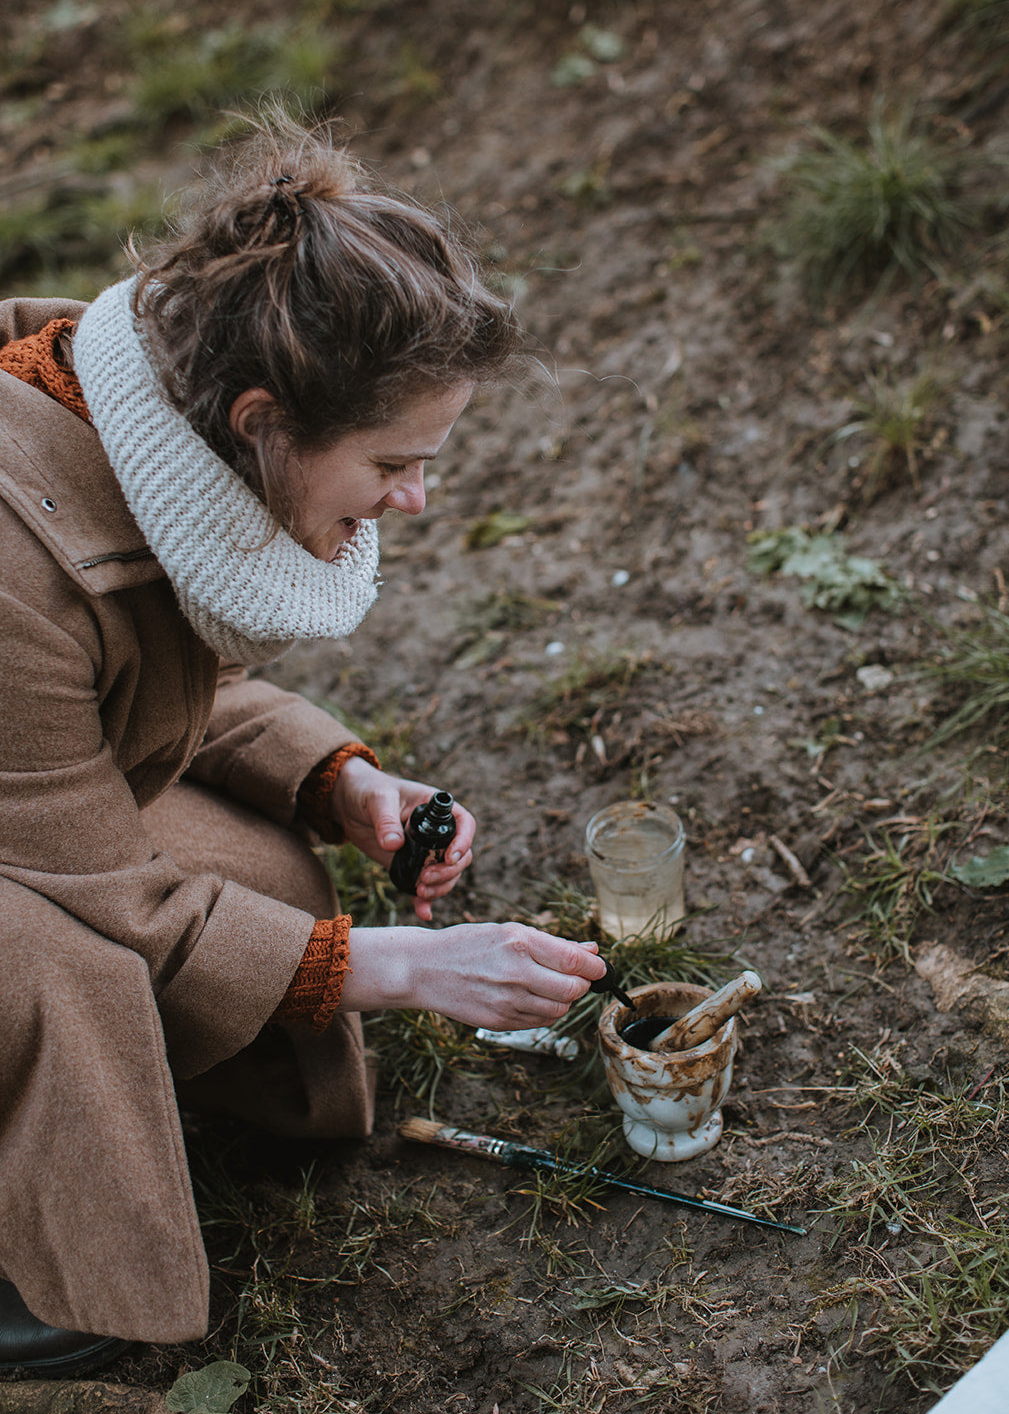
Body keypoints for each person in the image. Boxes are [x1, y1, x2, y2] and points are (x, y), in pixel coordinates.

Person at [0, 113, 606, 1376]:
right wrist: (401, 969)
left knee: (269, 876)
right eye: (392, 461)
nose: (414, 499)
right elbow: (102, 894)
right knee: (58, 963)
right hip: (34, 886)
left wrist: (341, 778)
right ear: (264, 417)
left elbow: (131, 680)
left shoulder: (138, 427)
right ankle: (43, 1273)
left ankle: (121, 1128)